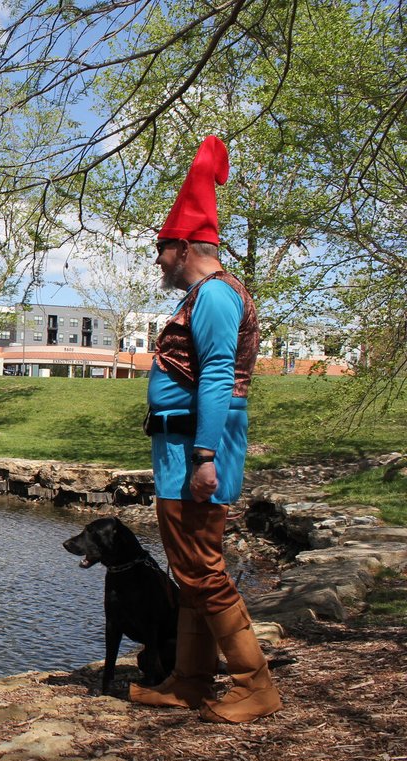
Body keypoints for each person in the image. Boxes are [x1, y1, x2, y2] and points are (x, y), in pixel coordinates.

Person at [128, 135, 281, 723]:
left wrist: (204, 456)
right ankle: (190, 681)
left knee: (201, 568)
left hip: (194, 449)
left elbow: (217, 377)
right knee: (189, 568)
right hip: (180, 446)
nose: (158, 261)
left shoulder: (214, 295)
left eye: (161, 250)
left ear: (185, 246)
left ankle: (254, 684)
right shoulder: (205, 294)